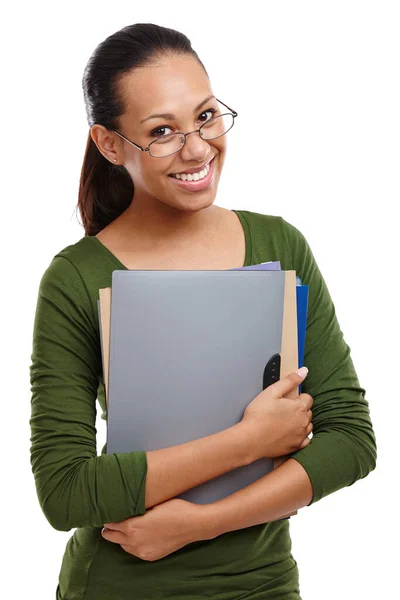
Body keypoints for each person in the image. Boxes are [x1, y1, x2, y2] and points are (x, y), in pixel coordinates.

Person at [29, 23, 377, 600]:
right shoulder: (76, 279)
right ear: (110, 144)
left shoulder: (279, 245)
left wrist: (201, 523)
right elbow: (65, 492)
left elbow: (353, 441)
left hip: (265, 586)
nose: (197, 148)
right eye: (161, 131)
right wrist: (248, 442)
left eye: (207, 116)